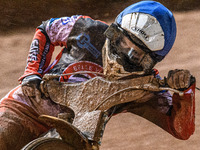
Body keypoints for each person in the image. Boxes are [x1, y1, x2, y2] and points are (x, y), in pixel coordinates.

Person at [0, 1, 196, 149]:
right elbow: (47, 29)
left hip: (74, 136)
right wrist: (32, 74)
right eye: (122, 42)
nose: (123, 54)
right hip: (25, 106)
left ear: (151, 61)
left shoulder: (144, 87)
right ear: (114, 31)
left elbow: (181, 130)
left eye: (135, 54)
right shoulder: (86, 29)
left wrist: (185, 93)